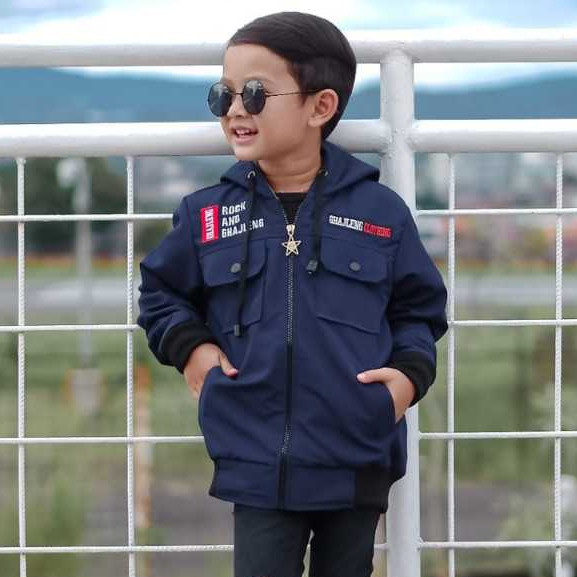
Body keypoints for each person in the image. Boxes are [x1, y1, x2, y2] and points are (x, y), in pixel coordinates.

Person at [136, 10, 448, 577]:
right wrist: (193, 351)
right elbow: (160, 293)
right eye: (223, 94)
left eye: (255, 93)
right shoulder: (206, 214)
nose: (235, 110)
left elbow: (418, 311)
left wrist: (406, 379)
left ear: (320, 106)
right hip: (252, 457)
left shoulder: (381, 213)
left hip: (356, 453)